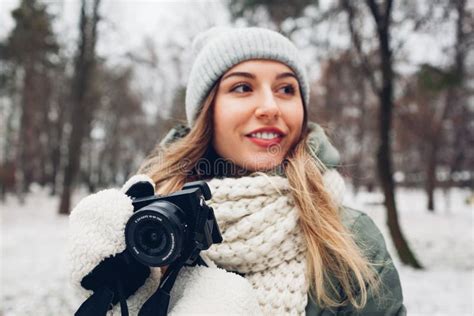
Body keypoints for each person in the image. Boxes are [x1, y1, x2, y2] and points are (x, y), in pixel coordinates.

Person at [69, 27, 406, 315]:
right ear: (208, 113)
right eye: (243, 87)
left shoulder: (347, 237)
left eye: (286, 89)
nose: (270, 107)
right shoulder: (147, 226)